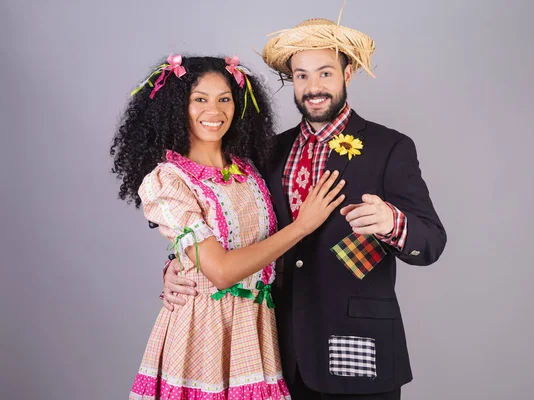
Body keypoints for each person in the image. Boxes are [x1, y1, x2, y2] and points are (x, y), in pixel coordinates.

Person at [164, 16, 447, 400]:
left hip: (359, 348)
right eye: (301, 76)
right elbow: (232, 229)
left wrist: (391, 221)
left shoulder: (389, 148)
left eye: (325, 73)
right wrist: (178, 266)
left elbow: (431, 242)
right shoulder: (267, 152)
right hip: (276, 350)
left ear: (348, 73)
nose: (313, 88)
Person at [110, 53, 346, 400]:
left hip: (256, 329)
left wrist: (179, 262)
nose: (214, 111)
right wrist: (301, 227)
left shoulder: (249, 168)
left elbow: (225, 245)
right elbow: (220, 272)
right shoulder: (169, 181)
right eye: (199, 99)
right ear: (177, 107)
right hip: (203, 331)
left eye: (224, 99)